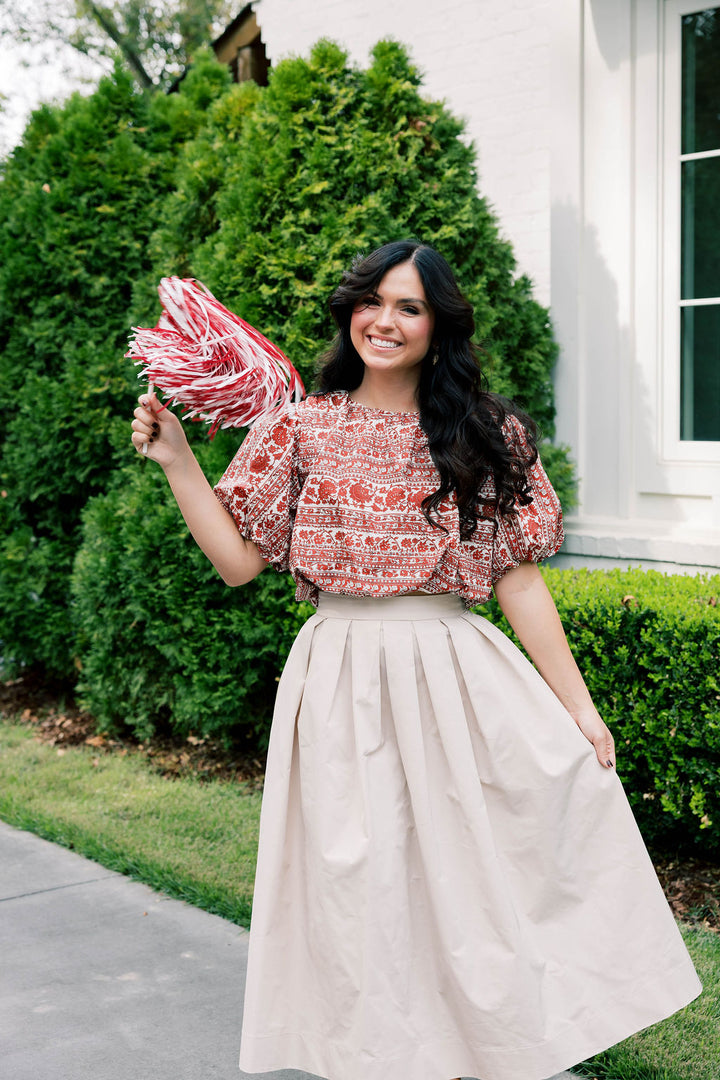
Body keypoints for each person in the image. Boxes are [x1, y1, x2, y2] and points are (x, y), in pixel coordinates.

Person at [131, 240, 701, 1080]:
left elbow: (518, 579)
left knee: (470, 883)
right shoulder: (300, 427)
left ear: (439, 326)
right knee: (360, 891)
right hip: (339, 677)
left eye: (410, 307)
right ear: (350, 311)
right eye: (373, 301)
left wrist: (580, 708)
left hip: (455, 673)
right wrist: (179, 461)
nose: (385, 321)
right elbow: (239, 562)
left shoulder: (488, 432)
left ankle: (484, 1049)